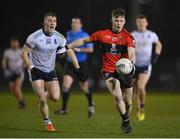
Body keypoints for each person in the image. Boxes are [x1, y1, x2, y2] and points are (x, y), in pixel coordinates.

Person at [57, 8, 136, 133]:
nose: (119, 23)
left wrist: (131, 63)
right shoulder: (102, 34)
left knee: (129, 102)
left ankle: (126, 119)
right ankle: (125, 121)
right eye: (116, 21)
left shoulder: (128, 37)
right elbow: (83, 41)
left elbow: (132, 53)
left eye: (121, 21)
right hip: (109, 70)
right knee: (117, 95)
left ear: (124, 21)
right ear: (112, 20)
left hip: (125, 70)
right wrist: (67, 47)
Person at [21, 12, 81, 131]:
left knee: (55, 97)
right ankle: (47, 122)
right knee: (42, 99)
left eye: (54, 21)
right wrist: (31, 68)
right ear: (44, 22)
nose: (52, 22)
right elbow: (23, 54)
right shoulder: (34, 37)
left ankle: (42, 97)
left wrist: (77, 68)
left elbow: (69, 51)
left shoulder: (60, 38)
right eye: (49, 20)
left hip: (50, 70)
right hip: (36, 70)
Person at [54, 17, 95, 118]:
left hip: (81, 64)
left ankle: (91, 105)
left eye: (76, 22)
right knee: (66, 85)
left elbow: (90, 50)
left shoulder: (84, 35)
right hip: (70, 63)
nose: (74, 24)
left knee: (83, 87)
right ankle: (64, 109)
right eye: (73, 22)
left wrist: (79, 50)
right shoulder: (68, 33)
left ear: (81, 25)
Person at [131, 14, 162, 121]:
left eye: (143, 22)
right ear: (136, 23)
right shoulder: (132, 35)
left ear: (146, 23)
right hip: (134, 65)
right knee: (134, 91)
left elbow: (159, 45)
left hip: (146, 64)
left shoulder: (151, 35)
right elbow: (127, 47)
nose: (141, 24)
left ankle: (142, 106)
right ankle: (138, 108)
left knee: (140, 87)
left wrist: (156, 55)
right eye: (139, 22)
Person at [2, 36, 26, 109]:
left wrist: (23, 67)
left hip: (19, 72)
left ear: (18, 43)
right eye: (12, 42)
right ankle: (21, 99)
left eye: (15, 42)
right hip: (11, 72)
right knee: (12, 91)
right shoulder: (8, 51)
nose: (14, 44)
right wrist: (5, 68)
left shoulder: (21, 51)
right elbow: (4, 61)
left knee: (17, 88)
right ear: (11, 43)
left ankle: (21, 103)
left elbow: (26, 61)